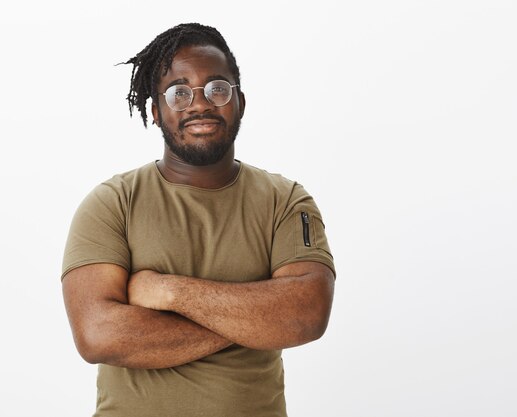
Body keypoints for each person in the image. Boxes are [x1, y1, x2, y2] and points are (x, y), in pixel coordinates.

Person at [61, 23, 335, 417]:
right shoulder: (112, 203)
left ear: (239, 101)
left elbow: (307, 314)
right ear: (155, 111)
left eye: (218, 89)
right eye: (180, 92)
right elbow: (98, 335)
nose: (201, 103)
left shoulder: (285, 200)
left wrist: (169, 292)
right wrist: (255, 322)